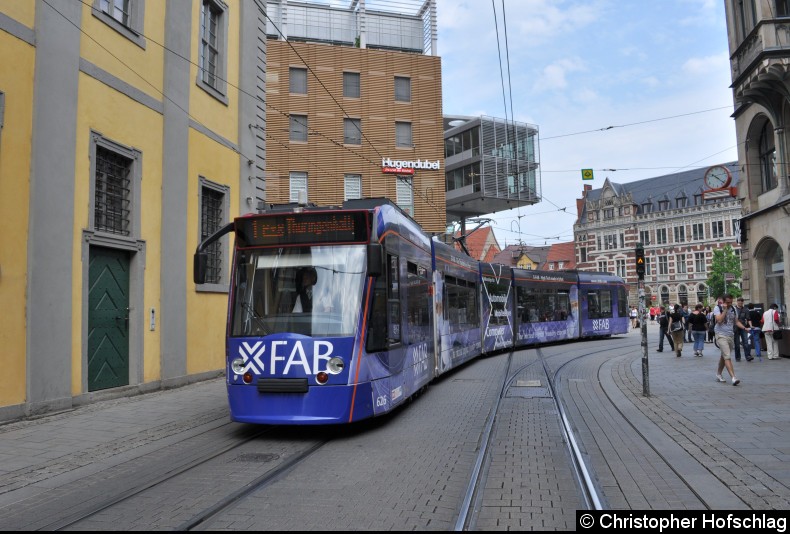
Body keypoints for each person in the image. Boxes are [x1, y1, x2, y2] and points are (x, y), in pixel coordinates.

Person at [713, 294, 747, 385]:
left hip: (730, 335)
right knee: (727, 356)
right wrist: (724, 310)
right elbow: (719, 320)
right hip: (720, 334)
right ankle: (733, 377)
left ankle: (718, 374)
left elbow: (736, 322)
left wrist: (744, 328)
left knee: (724, 356)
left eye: (731, 302)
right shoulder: (717, 308)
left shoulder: (733, 309)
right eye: (727, 302)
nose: (729, 304)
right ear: (723, 301)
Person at [733, 297, 752, 362]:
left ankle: (748, 356)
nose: (740, 303)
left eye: (741, 302)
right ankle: (738, 357)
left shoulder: (746, 309)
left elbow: (748, 318)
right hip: (735, 328)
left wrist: (751, 326)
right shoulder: (734, 309)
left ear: (743, 302)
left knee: (746, 342)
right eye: (739, 301)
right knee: (737, 343)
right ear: (737, 302)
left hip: (743, 327)